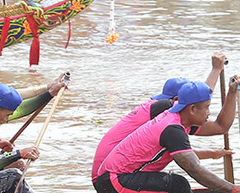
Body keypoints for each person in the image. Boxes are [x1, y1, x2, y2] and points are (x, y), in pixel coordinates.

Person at [94, 81, 240, 193]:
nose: (209, 112)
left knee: (173, 184)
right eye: (207, 107)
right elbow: (195, 170)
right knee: (178, 185)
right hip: (114, 184)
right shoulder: (172, 130)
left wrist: (231, 93)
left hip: (113, 180)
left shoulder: (177, 115)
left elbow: (220, 127)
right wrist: (234, 189)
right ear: (193, 109)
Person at [90, 52, 232, 184]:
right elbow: (215, 120)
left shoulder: (163, 113)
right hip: (111, 176)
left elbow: (179, 152)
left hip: (109, 174)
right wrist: (216, 71)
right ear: (180, 100)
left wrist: (213, 154)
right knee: (177, 184)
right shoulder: (166, 111)